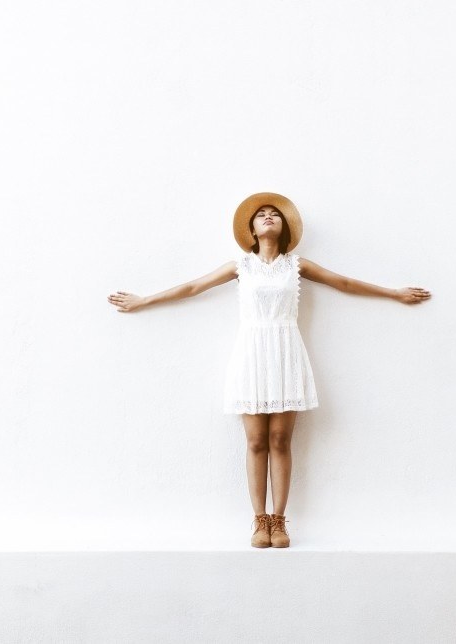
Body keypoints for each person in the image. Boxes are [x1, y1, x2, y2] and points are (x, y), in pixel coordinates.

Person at [107, 192, 430, 548]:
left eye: (274, 213)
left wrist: (394, 293)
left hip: (286, 350)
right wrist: (144, 299)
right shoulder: (240, 266)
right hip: (252, 353)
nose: (268, 216)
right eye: (261, 214)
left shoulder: (297, 265)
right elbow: (193, 286)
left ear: (284, 226)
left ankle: (279, 521)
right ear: (252, 229)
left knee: (280, 439)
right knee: (256, 440)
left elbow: (345, 283)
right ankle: (258, 520)